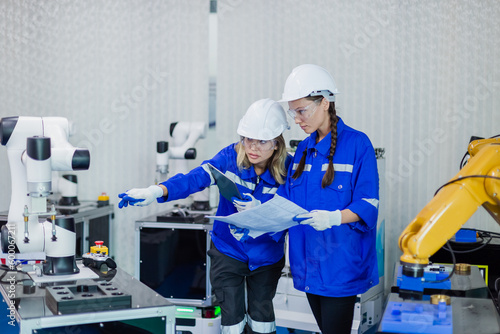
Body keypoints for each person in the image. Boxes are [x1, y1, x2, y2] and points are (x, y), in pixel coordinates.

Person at [118, 98, 291, 334]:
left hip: (266, 256)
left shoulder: (291, 171)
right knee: (231, 317)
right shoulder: (230, 158)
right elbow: (195, 178)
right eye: (248, 139)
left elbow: (293, 216)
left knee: (262, 316)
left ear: (277, 143)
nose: (252, 147)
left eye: (262, 141)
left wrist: (261, 217)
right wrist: (156, 191)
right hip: (229, 250)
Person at [277, 64, 380, 334]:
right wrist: (258, 212)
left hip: (339, 266)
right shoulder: (302, 151)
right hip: (307, 265)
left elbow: (368, 203)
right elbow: (286, 199)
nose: (297, 119)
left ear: (325, 102)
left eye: (302, 111)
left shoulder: (358, 145)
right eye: (293, 112)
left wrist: (335, 217)